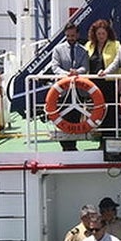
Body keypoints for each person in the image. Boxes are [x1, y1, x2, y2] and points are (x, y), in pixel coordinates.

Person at [49, 22, 92, 151]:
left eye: (73, 35)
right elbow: (54, 66)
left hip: (78, 92)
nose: (70, 38)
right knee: (63, 118)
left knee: (75, 119)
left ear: (77, 35)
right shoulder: (58, 49)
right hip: (63, 92)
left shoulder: (83, 51)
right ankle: (66, 147)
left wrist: (77, 72)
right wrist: (66, 74)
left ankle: (72, 145)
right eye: (68, 35)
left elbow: (85, 67)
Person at [86, 19, 121, 134]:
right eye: (98, 33)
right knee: (97, 111)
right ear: (94, 34)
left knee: (110, 111)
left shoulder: (115, 45)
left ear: (108, 33)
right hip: (93, 84)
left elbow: (118, 64)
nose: (101, 36)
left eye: (103, 33)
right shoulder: (89, 45)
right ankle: (99, 137)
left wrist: (120, 81)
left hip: (109, 83)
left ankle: (109, 138)